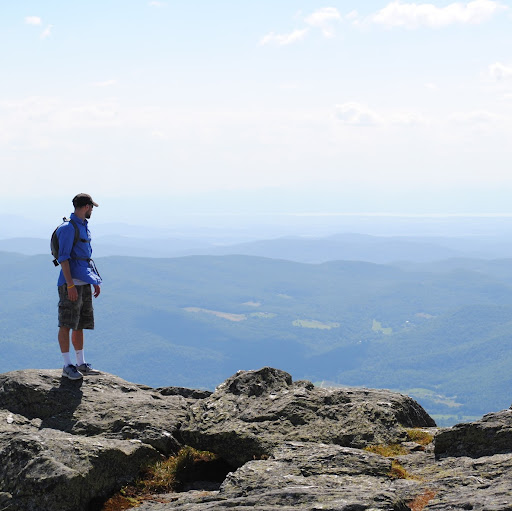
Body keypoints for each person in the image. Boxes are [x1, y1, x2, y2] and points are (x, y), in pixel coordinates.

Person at [56, 193, 102, 380]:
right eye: (91, 207)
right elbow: (63, 258)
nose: (92, 210)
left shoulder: (83, 226)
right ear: (86, 206)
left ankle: (81, 363)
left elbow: (85, 257)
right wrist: (70, 285)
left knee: (80, 324)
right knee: (66, 323)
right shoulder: (68, 228)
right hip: (71, 283)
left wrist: (94, 280)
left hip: (83, 281)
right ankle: (68, 365)